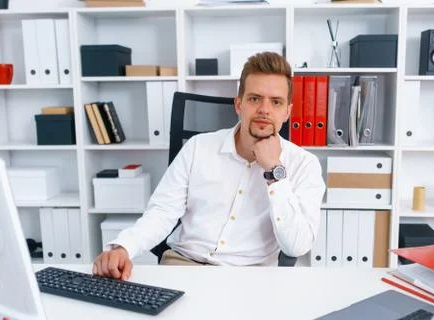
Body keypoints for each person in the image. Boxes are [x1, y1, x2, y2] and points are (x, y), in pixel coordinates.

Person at [93, 52, 326, 280]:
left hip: (250, 278)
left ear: (287, 112)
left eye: (276, 102)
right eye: (255, 99)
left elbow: (297, 246)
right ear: (239, 104)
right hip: (183, 265)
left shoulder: (304, 165)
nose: (264, 109)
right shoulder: (198, 147)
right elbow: (162, 212)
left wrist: (275, 171)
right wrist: (123, 247)